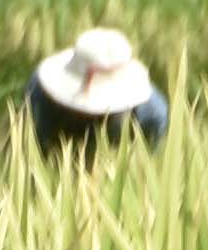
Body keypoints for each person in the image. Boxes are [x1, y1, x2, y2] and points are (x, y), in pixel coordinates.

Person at [27, 26, 168, 155]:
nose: (87, 114)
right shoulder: (40, 95)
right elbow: (34, 151)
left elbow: (144, 164)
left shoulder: (152, 114)